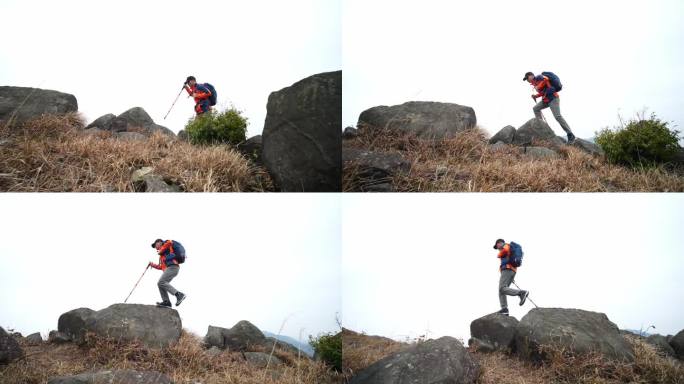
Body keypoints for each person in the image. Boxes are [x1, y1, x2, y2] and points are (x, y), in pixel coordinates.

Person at [523, 71, 576, 144]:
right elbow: (543, 92)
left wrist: (538, 86)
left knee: (557, 116)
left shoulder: (539, 77)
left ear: (531, 75)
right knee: (535, 108)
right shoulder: (535, 83)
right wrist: (536, 96)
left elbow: (546, 79)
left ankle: (570, 134)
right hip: (546, 100)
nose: (527, 80)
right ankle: (541, 125)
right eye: (526, 79)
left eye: (527, 78)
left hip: (553, 98)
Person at [493, 238, 528, 315]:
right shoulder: (508, 247)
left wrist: (499, 254)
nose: (497, 248)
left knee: (502, 288)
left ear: (499, 243)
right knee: (501, 290)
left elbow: (505, 251)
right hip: (511, 271)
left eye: (497, 245)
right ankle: (504, 309)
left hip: (507, 269)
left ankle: (521, 293)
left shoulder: (506, 246)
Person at [149, 238, 186, 308]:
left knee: (161, 282)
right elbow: (161, 267)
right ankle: (166, 302)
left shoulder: (166, 243)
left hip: (173, 266)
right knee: (160, 284)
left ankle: (179, 295)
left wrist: (161, 250)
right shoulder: (162, 255)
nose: (155, 247)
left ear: (160, 242)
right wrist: (152, 265)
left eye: (155, 244)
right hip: (169, 268)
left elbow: (170, 242)